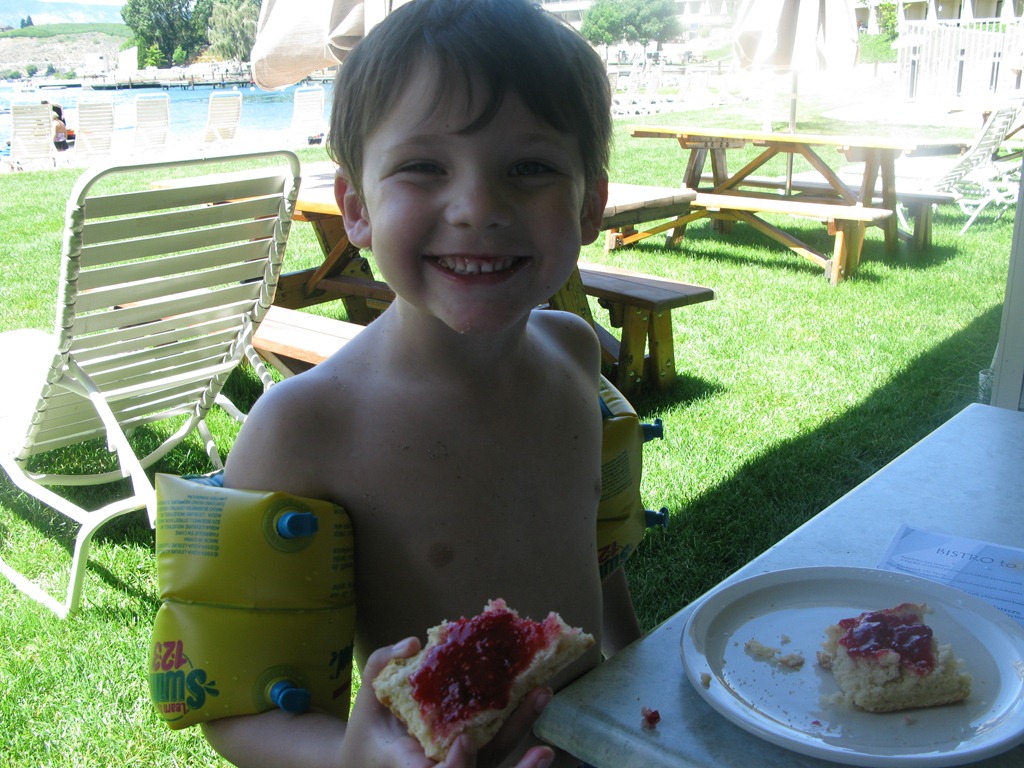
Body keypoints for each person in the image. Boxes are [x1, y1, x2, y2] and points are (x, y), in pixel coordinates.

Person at [203, 0, 624, 765]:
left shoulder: (576, 356)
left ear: (589, 204)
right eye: (424, 167)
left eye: (529, 168)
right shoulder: (304, 426)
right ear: (357, 208)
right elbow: (237, 712)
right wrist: (357, 758)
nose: (478, 208)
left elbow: (604, 569)